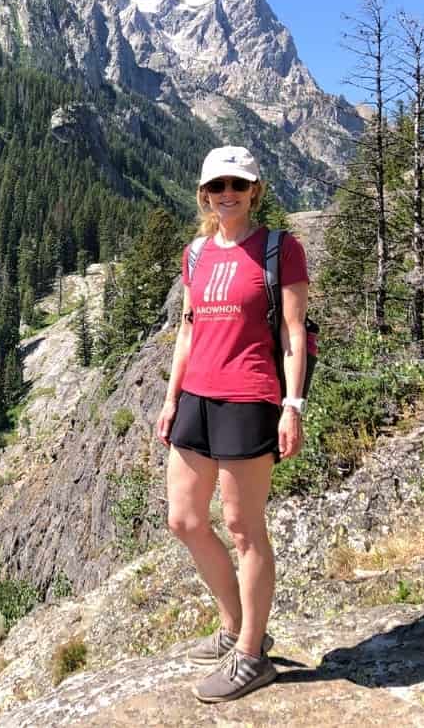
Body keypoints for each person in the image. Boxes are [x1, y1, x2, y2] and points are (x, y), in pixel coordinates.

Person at [155, 145, 309, 703]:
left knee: (245, 529)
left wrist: (292, 406)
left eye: (238, 185)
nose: (228, 194)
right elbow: (188, 330)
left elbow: (292, 332)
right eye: (218, 186)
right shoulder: (195, 253)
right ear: (204, 194)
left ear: (254, 191)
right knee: (185, 519)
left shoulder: (280, 249)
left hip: (249, 397)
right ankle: (235, 623)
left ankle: (250, 655)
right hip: (197, 396)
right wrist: (171, 399)